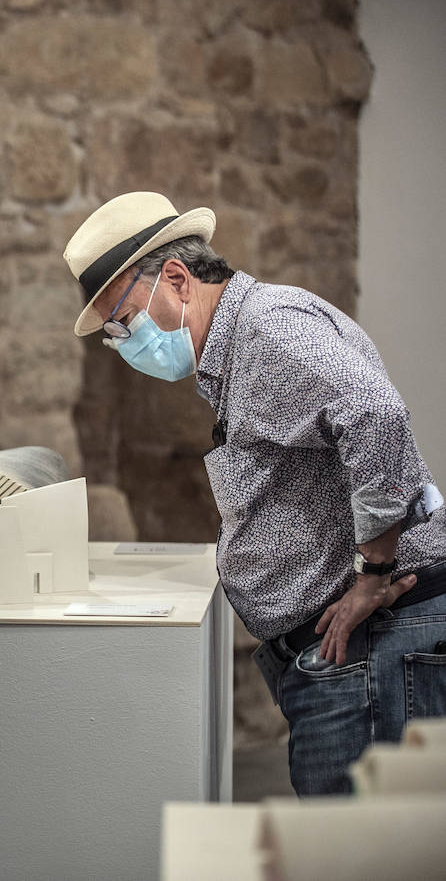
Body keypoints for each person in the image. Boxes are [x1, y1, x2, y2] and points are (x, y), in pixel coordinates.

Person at [63, 191, 446, 796]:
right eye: (113, 333)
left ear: (176, 279)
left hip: (373, 645)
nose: (122, 341)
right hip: (351, 653)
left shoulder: (266, 331)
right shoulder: (239, 343)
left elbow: (374, 413)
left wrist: (376, 570)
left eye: (123, 319)